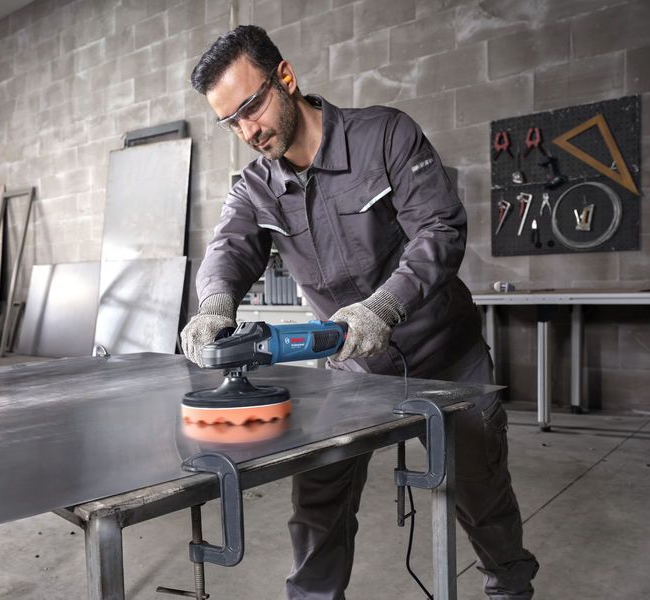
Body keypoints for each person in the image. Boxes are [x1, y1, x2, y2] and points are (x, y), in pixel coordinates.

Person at [180, 25, 539, 600]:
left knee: (481, 492)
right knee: (318, 499)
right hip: (349, 369)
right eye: (231, 122)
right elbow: (229, 249)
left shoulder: (386, 134)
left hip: (446, 357)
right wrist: (213, 305)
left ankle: (509, 588)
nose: (247, 131)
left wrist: (383, 307)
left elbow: (440, 231)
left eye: (251, 107)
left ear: (286, 77)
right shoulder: (253, 188)